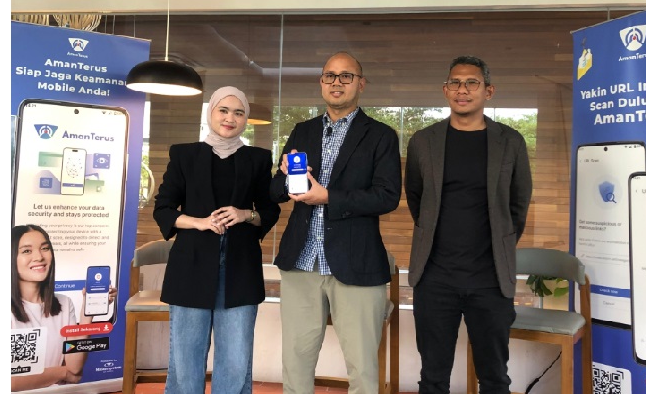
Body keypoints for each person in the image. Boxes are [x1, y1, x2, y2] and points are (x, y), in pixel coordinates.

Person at [269, 51, 402, 394]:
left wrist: (329, 197)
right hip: (301, 261)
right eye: (330, 75)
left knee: (362, 368)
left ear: (361, 84)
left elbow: (386, 197)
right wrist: (285, 179)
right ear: (321, 82)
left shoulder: (381, 136)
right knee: (296, 363)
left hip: (356, 263)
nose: (337, 82)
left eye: (346, 76)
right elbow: (275, 191)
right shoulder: (303, 131)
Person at [404, 55, 533, 394]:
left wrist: (499, 244)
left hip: (490, 279)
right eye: (456, 83)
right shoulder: (423, 141)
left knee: (494, 377)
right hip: (434, 278)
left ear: (488, 91)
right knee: (433, 377)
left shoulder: (511, 142)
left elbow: (518, 206)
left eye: (472, 83)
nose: (463, 90)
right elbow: (417, 200)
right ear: (445, 90)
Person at [154, 85, 281, 394]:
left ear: (245, 120)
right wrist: (199, 222)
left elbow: (270, 211)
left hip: (240, 267)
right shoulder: (184, 155)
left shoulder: (258, 159)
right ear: (210, 113)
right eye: (223, 110)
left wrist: (245, 214)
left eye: (238, 113)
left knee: (236, 361)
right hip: (191, 265)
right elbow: (163, 210)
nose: (230, 118)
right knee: (185, 361)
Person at [10, 224, 118, 392]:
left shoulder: (64, 304)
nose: (39, 257)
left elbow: (75, 367)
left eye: (45, 248)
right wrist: (62, 372)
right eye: (26, 251)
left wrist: (87, 314)